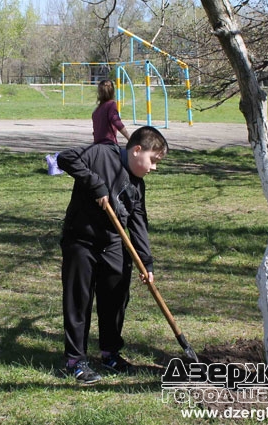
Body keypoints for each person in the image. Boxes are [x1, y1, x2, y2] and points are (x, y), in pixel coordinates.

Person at [57, 126, 168, 384]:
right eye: (153, 160)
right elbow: (64, 158)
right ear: (137, 150)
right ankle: (75, 360)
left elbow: (138, 223)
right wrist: (95, 183)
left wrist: (146, 262)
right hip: (81, 240)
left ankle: (110, 353)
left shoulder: (137, 185)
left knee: (116, 297)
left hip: (114, 244)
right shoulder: (100, 154)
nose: (153, 167)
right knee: (78, 300)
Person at [92, 79, 131, 145]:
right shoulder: (111, 105)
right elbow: (117, 122)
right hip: (109, 145)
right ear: (113, 92)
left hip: (96, 145)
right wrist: (129, 138)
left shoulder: (96, 111)